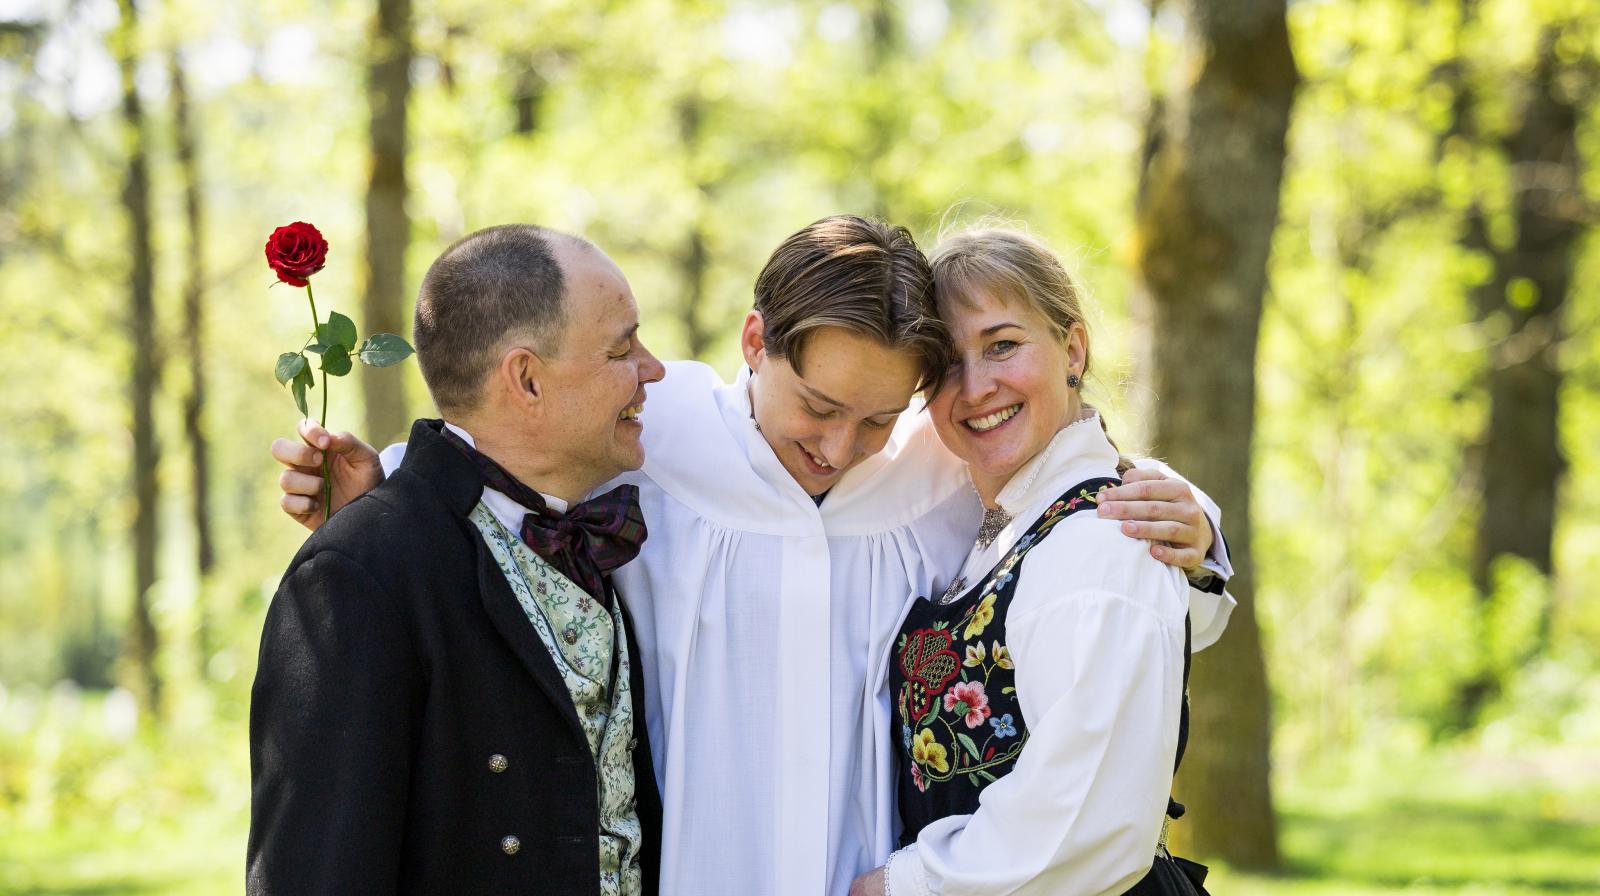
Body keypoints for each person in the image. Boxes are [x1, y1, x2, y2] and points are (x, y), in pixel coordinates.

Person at [271, 216, 1234, 896]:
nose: (840, 447)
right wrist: (369, 488)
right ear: (754, 342)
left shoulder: (936, 464)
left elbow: (1074, 543)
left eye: (877, 419)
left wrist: (1196, 534)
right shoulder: (656, 432)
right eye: (817, 408)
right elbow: (495, 458)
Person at [248, 225, 667, 895]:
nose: (653, 369)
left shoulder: (594, 539)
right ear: (526, 379)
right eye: (623, 348)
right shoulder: (357, 575)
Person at [850, 227, 1202, 896]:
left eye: (1003, 345)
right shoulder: (1008, 522)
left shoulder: (1103, 539)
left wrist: (904, 885)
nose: (976, 386)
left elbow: (1089, 819)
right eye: (946, 365)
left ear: (1073, 349)